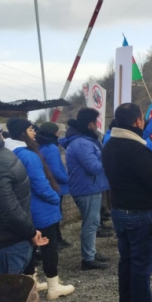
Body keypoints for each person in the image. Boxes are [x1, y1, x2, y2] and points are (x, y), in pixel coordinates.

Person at [0, 118, 74, 302]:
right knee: (15, 299)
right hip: (9, 240)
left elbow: (9, 210)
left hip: (5, 244)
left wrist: (31, 232)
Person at [102, 103, 152, 302]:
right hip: (142, 214)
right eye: (142, 119)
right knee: (142, 266)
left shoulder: (110, 145)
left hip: (119, 211)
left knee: (127, 262)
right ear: (137, 121)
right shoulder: (136, 149)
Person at [5, 118, 75, 300]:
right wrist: (54, 197)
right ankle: (53, 286)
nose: (34, 132)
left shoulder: (8, 153)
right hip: (42, 209)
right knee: (49, 247)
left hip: (24, 210)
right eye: (30, 129)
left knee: (29, 246)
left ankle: (32, 283)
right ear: (22, 132)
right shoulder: (28, 155)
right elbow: (40, 184)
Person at [60, 108, 110, 270]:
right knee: (90, 224)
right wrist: (108, 157)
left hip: (90, 186)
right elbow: (93, 167)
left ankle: (91, 252)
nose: (97, 126)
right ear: (90, 124)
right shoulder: (82, 143)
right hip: (86, 188)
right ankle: (88, 259)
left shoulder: (84, 141)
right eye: (96, 123)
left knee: (93, 222)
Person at [37, 121, 71, 249]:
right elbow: (55, 170)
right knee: (56, 215)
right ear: (54, 133)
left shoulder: (41, 146)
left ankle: (56, 239)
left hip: (48, 184)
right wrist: (67, 179)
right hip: (55, 186)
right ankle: (57, 240)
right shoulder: (51, 148)